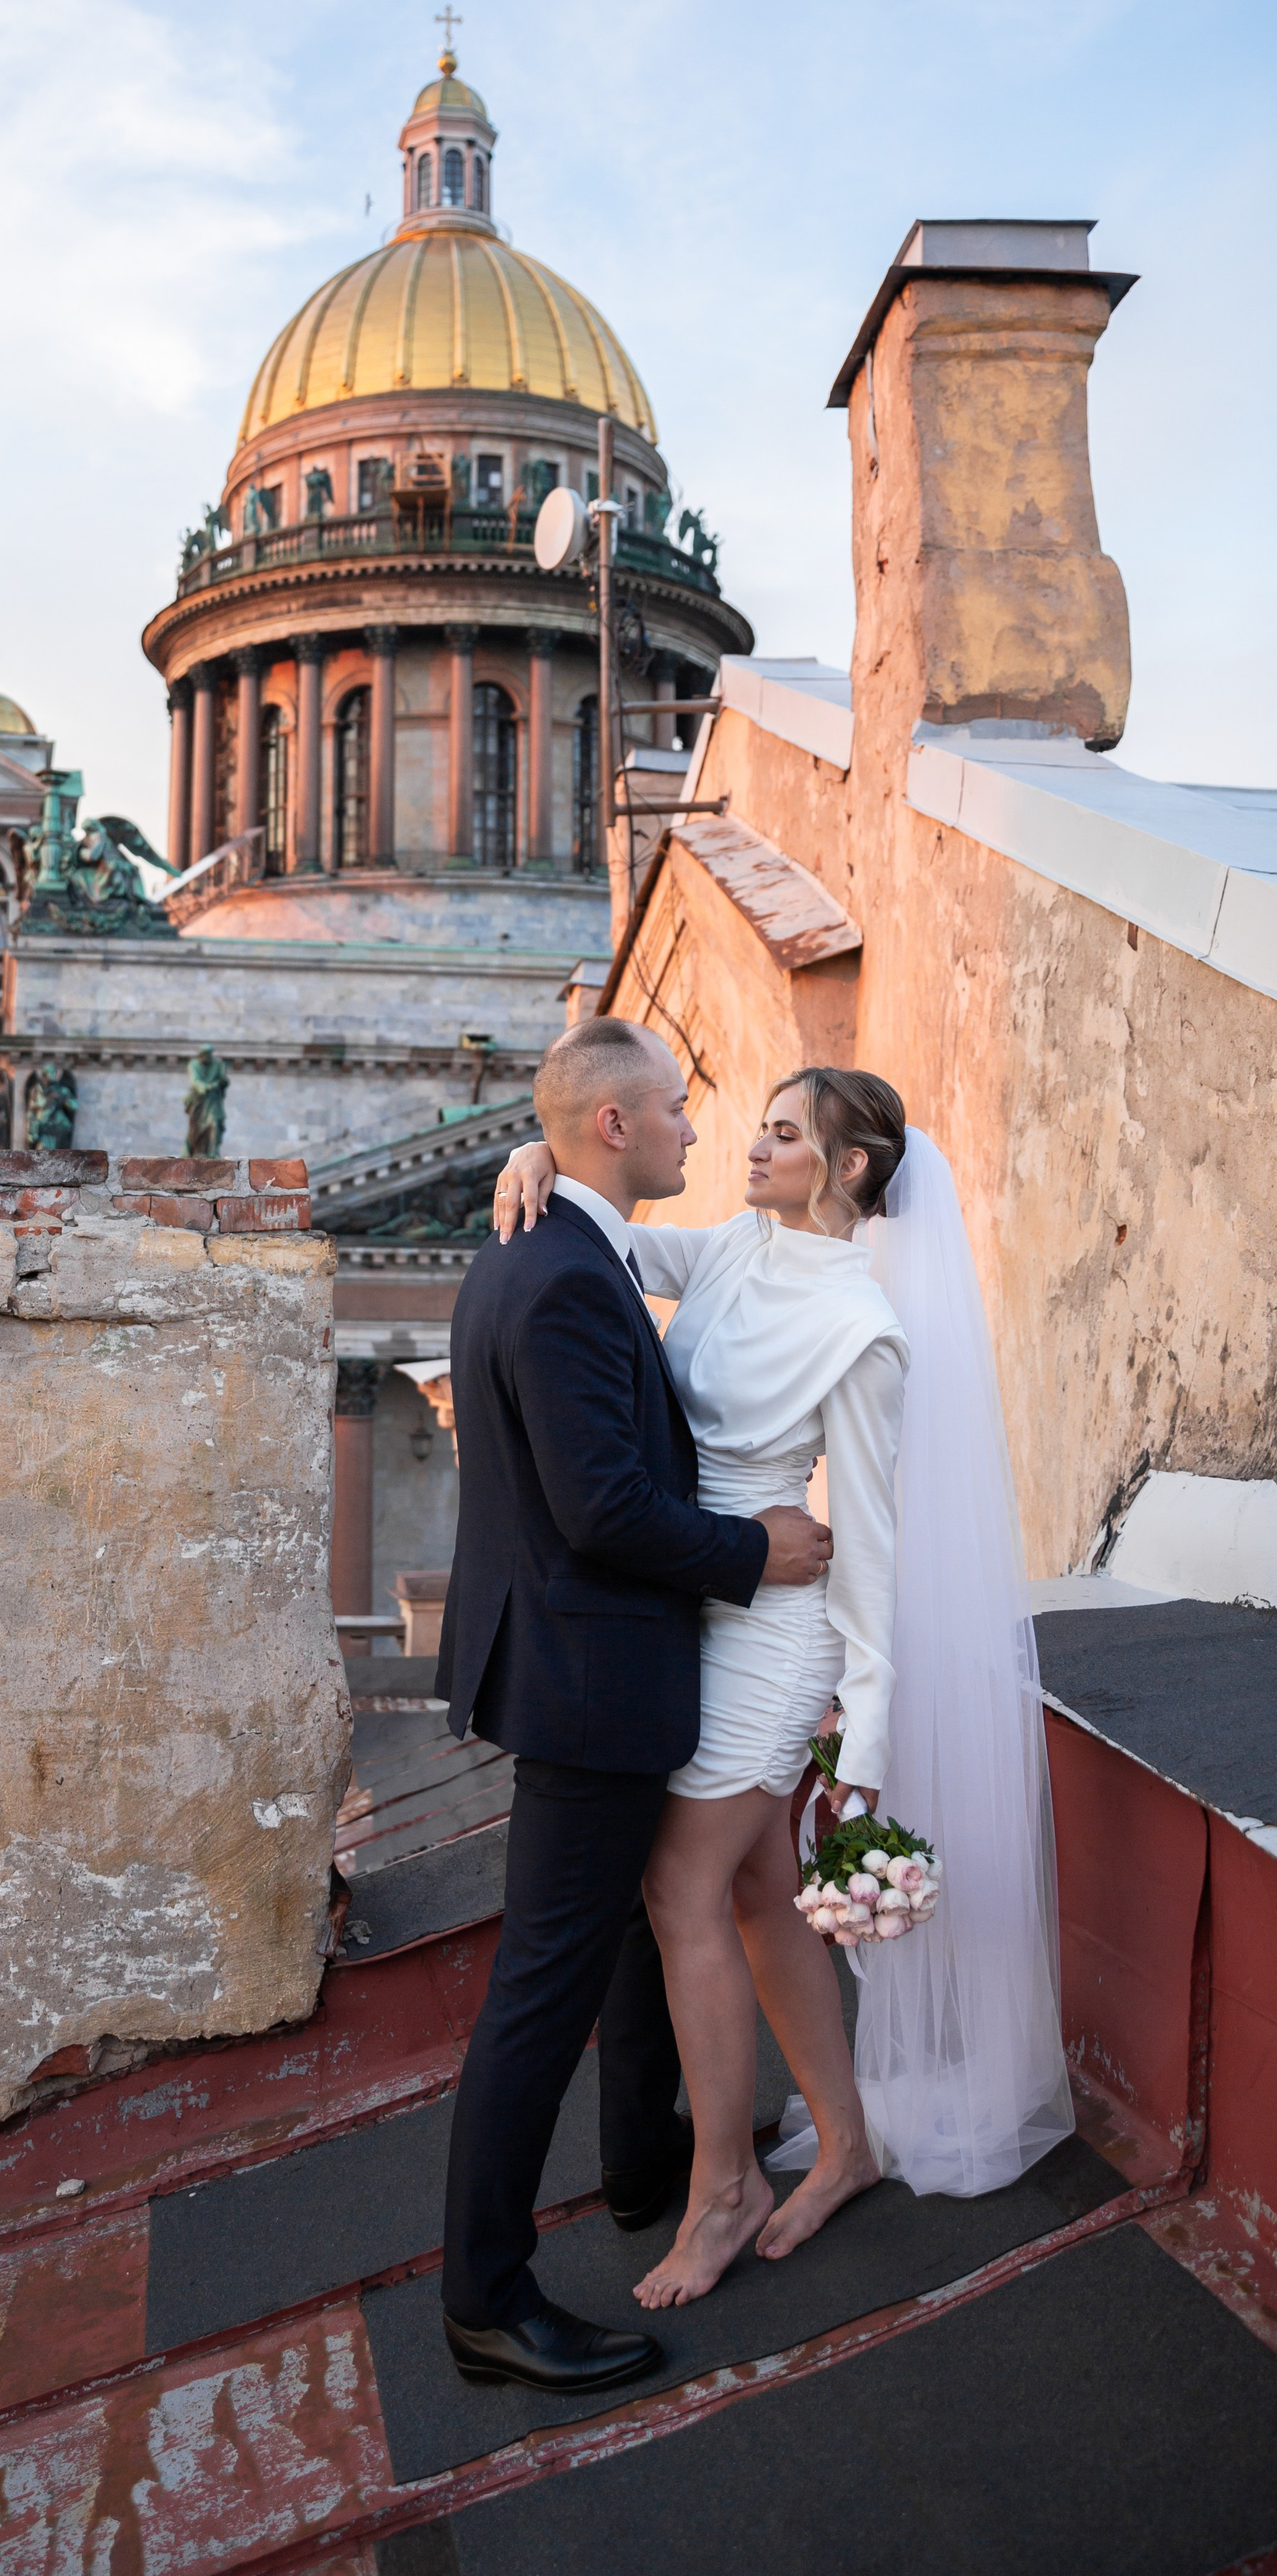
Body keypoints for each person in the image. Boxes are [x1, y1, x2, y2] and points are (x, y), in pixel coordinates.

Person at [493, 1064, 1073, 2307]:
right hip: (697, 1595)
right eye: (753, 1127)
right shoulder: (736, 1250)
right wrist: (532, 1160)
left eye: (782, 1135)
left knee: (677, 1883)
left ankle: (721, 2189)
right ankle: (848, 2141)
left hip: (777, 1634)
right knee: (757, 1888)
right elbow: (615, 1242)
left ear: (848, 1169)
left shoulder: (863, 1332)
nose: (748, 1149)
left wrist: (861, 1739)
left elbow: (866, 1544)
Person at [436, 1019, 834, 2394]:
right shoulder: (564, 1277)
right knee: (540, 1994)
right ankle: (485, 2299)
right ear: (613, 1128)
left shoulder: (545, 1249)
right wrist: (756, 1552)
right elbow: (602, 1507)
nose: (691, 1126)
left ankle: (635, 2166)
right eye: (674, 1106)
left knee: (611, 1942)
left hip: (567, 1664)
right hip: (593, 1676)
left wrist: (524, 1148)